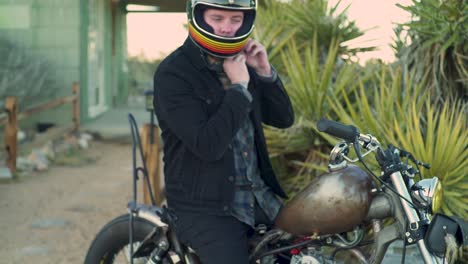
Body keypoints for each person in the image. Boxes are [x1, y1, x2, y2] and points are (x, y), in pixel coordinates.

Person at [153, 0, 294, 263]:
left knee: (307, 252)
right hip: (205, 208)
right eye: (217, 19)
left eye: (235, 20)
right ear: (198, 16)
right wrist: (239, 88)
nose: (227, 28)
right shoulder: (173, 73)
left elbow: (284, 119)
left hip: (260, 197)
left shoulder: (245, 63)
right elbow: (207, 144)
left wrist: (264, 71)